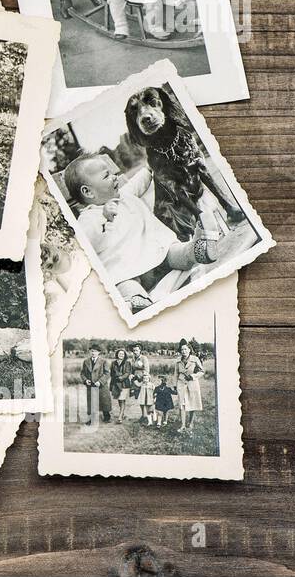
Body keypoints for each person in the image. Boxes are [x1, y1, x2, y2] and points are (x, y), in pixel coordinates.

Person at [63, 153, 223, 312]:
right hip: (126, 271)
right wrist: (103, 218)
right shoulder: (88, 218)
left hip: (158, 255)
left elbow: (138, 183)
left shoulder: (124, 195)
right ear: (88, 192)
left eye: (113, 173)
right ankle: (136, 300)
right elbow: (86, 241)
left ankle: (197, 250)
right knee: (126, 285)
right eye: (106, 176)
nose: (114, 177)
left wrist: (149, 168)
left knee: (176, 252)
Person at [174, 340, 205, 436]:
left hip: (192, 383)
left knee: (193, 403)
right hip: (181, 383)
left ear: (189, 350)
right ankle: (182, 425)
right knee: (182, 404)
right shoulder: (178, 361)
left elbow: (202, 371)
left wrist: (192, 376)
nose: (183, 351)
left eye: (185, 349)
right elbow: (176, 374)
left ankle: (190, 423)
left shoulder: (195, 359)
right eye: (182, 349)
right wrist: (175, 385)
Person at [80, 344, 112, 423]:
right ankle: (91, 419)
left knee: (104, 402)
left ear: (99, 352)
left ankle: (106, 417)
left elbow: (107, 373)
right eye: (92, 351)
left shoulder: (104, 361)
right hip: (90, 385)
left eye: (95, 351)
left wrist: (100, 382)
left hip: (101, 386)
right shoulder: (86, 361)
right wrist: (85, 380)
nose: (93, 353)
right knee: (91, 403)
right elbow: (82, 373)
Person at [109, 347, 132, 423]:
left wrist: (121, 377)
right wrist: (114, 381)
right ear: (117, 354)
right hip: (116, 384)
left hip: (124, 384)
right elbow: (112, 373)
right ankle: (122, 414)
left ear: (124, 355)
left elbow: (127, 373)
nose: (121, 355)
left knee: (122, 399)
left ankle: (120, 417)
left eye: (122, 354)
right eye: (119, 353)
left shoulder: (127, 363)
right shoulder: (113, 363)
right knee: (119, 399)